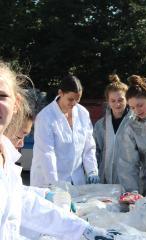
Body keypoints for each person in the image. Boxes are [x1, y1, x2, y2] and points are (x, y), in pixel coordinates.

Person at [0, 61, 120, 240]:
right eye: (70, 99)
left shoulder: (6, 158)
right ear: (60, 94)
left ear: (16, 103)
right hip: (51, 179)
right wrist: (54, 187)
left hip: (73, 182)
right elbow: (47, 154)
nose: (74, 104)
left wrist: (83, 229)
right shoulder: (46, 117)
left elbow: (22, 203)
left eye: (2, 95)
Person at [116, 74, 146, 196]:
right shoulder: (132, 127)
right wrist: (132, 193)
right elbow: (127, 164)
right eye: (132, 107)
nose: (137, 111)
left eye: (140, 105)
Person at [93, 74, 132, 183]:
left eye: (121, 100)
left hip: (129, 181)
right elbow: (95, 151)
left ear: (127, 100)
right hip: (105, 180)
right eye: (113, 100)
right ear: (108, 101)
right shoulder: (101, 125)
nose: (117, 104)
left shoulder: (135, 124)